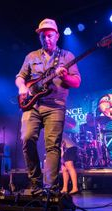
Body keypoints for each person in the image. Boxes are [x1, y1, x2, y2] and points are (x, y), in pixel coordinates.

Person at [15, 18, 81, 194]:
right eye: (43, 37)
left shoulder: (67, 56)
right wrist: (22, 87)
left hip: (55, 106)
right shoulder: (31, 56)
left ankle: (50, 187)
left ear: (57, 36)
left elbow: (76, 82)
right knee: (27, 138)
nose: (47, 39)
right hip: (33, 105)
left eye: (50, 36)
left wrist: (65, 76)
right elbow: (20, 77)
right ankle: (35, 183)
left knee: (52, 145)